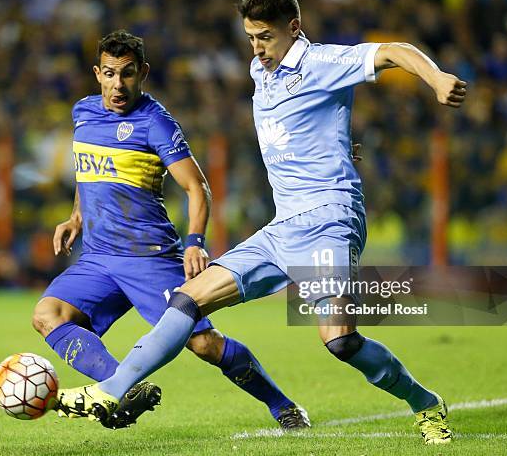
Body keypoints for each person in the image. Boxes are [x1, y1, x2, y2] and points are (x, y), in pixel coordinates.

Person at [57, 0, 466, 445]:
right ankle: (110, 390)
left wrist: (437, 79)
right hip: (282, 226)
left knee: (340, 341)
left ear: (294, 27)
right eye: (251, 37)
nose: (257, 47)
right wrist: (335, 142)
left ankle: (425, 403)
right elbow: (305, 125)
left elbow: (392, 50)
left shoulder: (322, 63)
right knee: (188, 300)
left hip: (329, 220)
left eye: (266, 36)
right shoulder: (261, 70)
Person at [34, 29, 310, 429]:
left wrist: (195, 242)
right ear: (97, 73)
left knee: (203, 344)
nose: (118, 84)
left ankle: (282, 405)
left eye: (127, 74)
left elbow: (197, 188)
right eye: (109, 73)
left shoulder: (155, 123)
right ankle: (123, 390)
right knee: (47, 314)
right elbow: (86, 173)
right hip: (98, 258)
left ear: (142, 73)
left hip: (149, 259)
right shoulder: (84, 113)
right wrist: (77, 216)